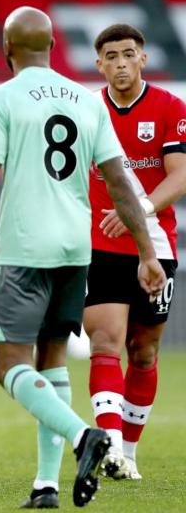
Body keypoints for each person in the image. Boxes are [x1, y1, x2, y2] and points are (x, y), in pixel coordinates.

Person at [0, 6, 167, 509]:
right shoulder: (86, 98)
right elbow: (121, 180)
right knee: (51, 360)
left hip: (23, 248)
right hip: (77, 250)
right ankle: (45, 484)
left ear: (8, 49)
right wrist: (147, 251)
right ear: (53, 47)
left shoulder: (3, 98)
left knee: (8, 365)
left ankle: (85, 436)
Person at [83, 24, 186, 480]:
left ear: (143, 59)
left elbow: (179, 177)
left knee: (143, 351)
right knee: (105, 342)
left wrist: (136, 210)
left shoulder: (170, 107)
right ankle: (109, 449)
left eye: (129, 53)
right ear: (99, 63)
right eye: (111, 55)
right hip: (97, 243)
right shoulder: (86, 110)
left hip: (155, 245)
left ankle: (129, 451)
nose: (121, 62)